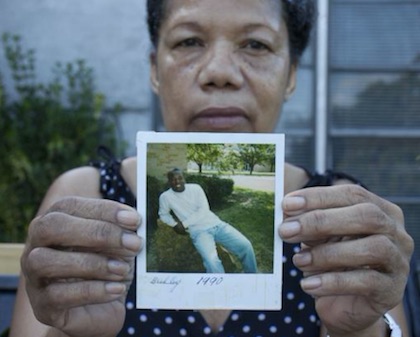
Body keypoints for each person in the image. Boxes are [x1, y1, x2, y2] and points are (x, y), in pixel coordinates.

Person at [9, 0, 415, 336]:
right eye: (189, 41)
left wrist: (359, 329)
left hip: (216, 225)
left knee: (241, 248)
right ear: (154, 69)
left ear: (291, 74)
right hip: (200, 233)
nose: (219, 73)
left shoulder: (342, 217)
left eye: (255, 45)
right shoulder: (83, 195)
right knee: (214, 262)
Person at [158, 168, 257, 273]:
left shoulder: (196, 188)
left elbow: (204, 210)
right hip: (199, 232)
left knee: (246, 246)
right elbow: (163, 214)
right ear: (169, 182)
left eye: (180, 178)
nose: (177, 181)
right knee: (212, 261)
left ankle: (252, 277)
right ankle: (219, 285)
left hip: (217, 225)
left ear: (184, 179)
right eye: (173, 179)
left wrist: (183, 224)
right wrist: (174, 224)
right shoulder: (165, 197)